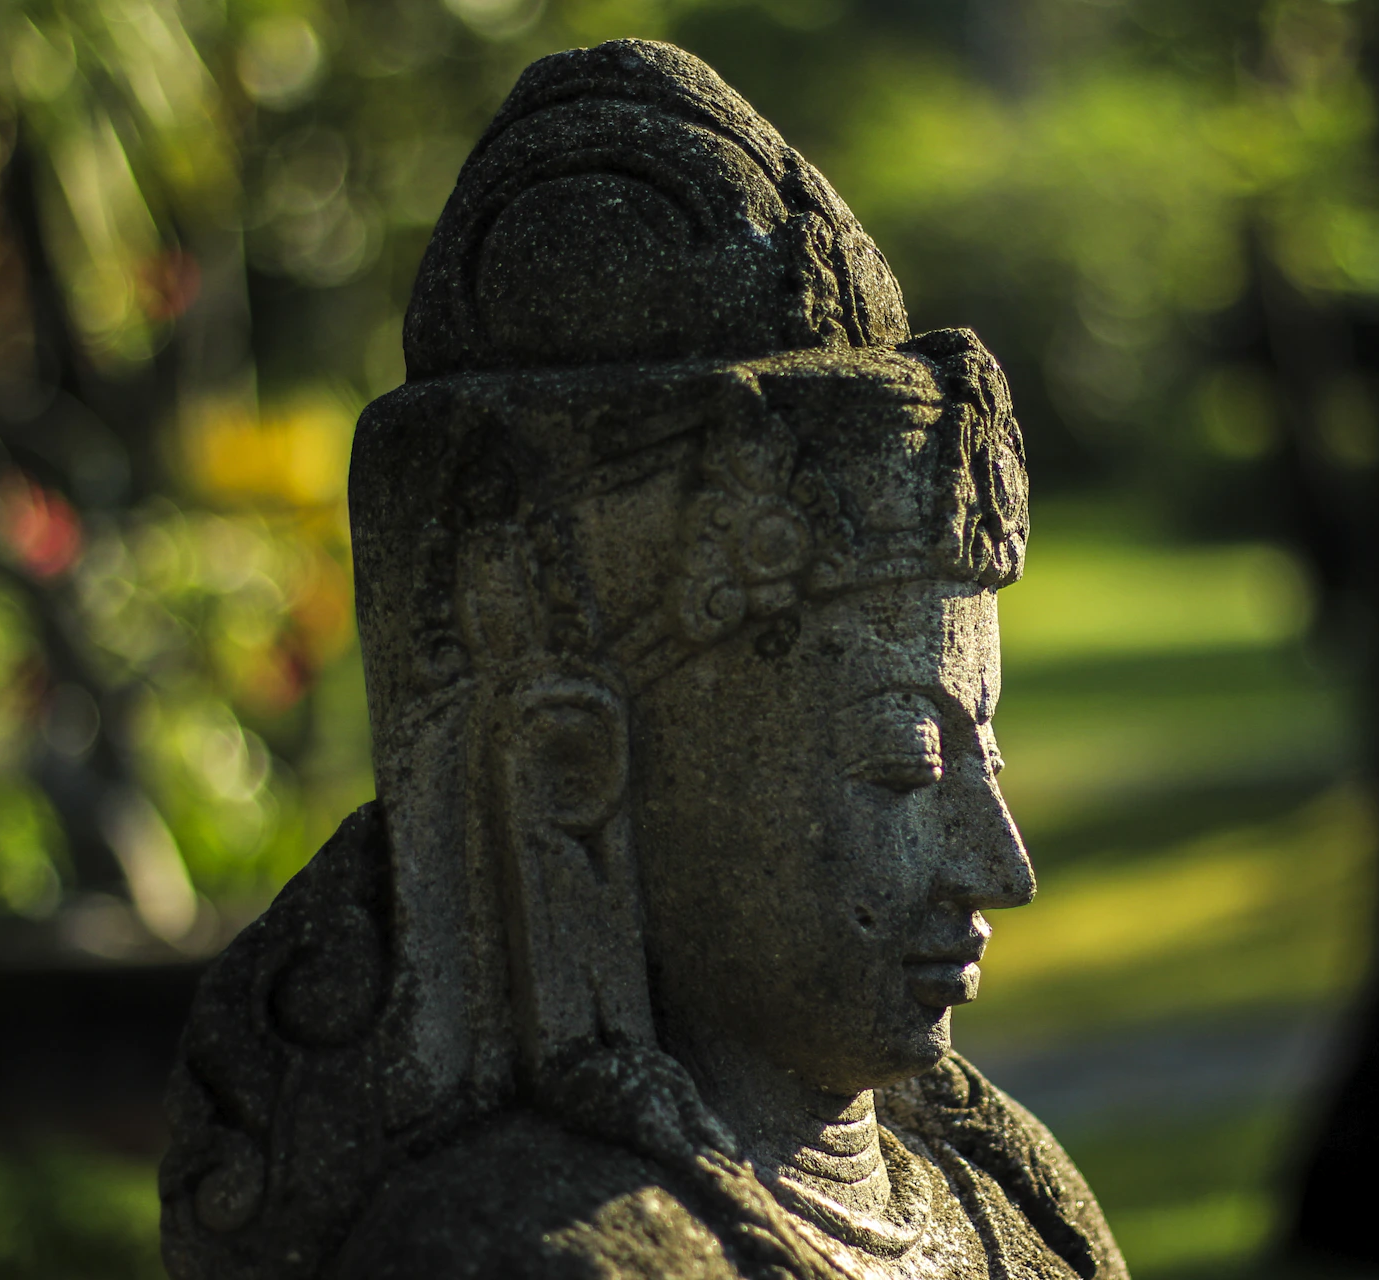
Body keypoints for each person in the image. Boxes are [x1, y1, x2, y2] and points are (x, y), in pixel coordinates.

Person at [160, 40, 1125, 1280]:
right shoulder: (541, 1250)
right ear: (576, 774)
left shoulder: (1014, 1201)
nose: (1003, 864)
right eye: (904, 761)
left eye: (982, 749)